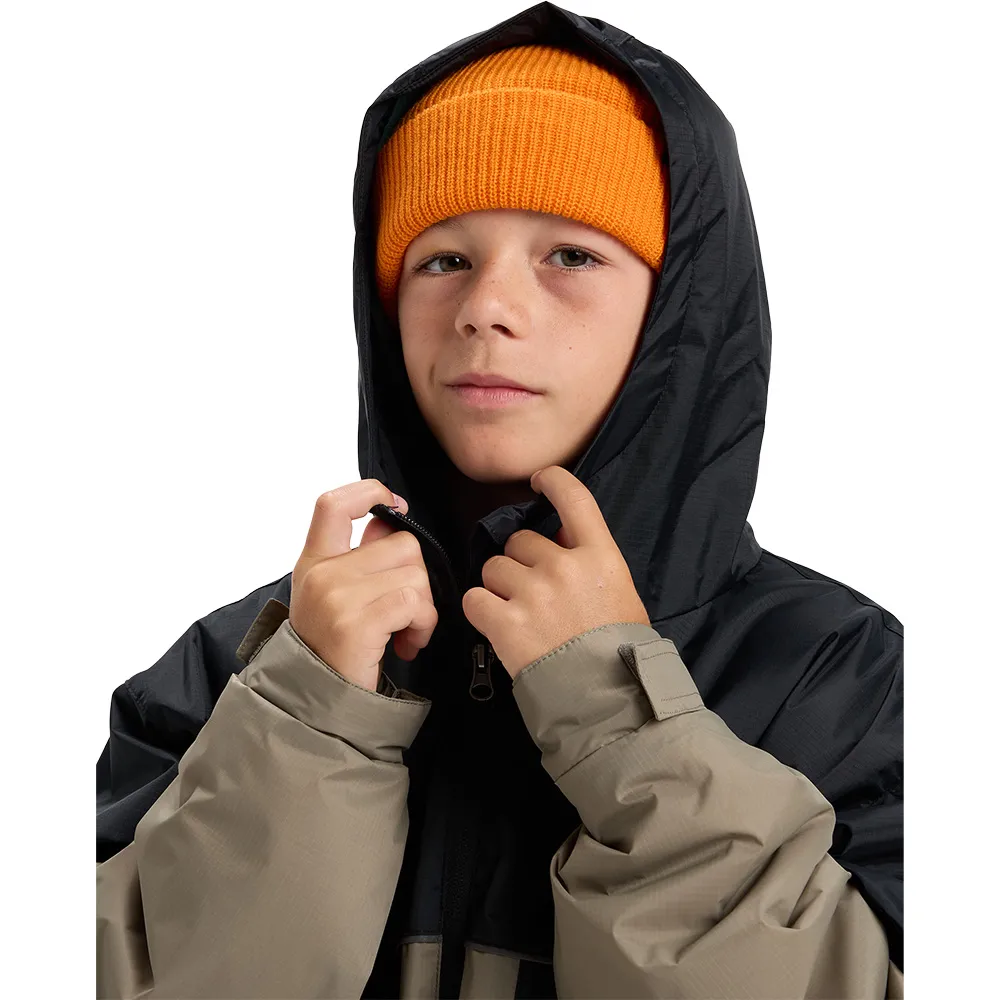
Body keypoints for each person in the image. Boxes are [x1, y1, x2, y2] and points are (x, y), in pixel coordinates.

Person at [96, 5, 904, 998]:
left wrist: (621, 717)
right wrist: (308, 719)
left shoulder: (841, 680)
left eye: (572, 255)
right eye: (442, 260)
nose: (485, 307)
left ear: (678, 310)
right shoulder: (231, 675)